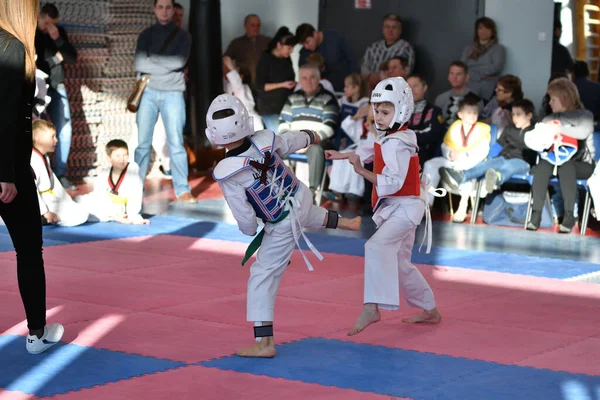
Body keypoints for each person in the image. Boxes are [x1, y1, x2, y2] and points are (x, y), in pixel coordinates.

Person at [206, 94, 362, 357]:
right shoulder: (265, 140)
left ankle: (264, 342)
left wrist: (250, 230)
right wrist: (312, 135)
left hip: (281, 221)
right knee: (306, 214)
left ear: (213, 133)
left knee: (262, 275)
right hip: (300, 196)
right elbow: (293, 140)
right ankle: (347, 222)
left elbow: (242, 214)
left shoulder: (228, 172)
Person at [325, 78, 444, 336]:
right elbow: (371, 148)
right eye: (376, 111)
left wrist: (360, 170)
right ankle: (429, 309)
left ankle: (372, 306)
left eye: (385, 112)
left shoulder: (398, 143)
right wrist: (344, 155)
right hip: (404, 207)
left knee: (376, 246)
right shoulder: (395, 136)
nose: (378, 117)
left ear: (400, 110)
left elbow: (392, 181)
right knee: (401, 263)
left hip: (406, 208)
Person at [0, 0, 64, 354]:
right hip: (7, 169)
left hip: (7, 165)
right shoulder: (10, 47)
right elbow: (7, 117)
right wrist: (6, 175)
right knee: (28, 250)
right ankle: (36, 334)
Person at [35, 3, 77, 190]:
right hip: (38, 86)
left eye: (52, 23)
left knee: (64, 129)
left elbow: (72, 57)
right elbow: (38, 64)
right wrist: (56, 59)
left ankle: (60, 173)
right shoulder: (32, 33)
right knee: (37, 131)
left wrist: (58, 39)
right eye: (46, 23)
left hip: (57, 86)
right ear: (39, 18)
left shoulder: (58, 32)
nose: (48, 27)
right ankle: (39, 172)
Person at [76, 140, 149, 225]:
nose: (122, 159)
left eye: (125, 155)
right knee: (80, 200)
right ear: (109, 158)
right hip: (107, 206)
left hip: (122, 208)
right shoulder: (104, 174)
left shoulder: (132, 169)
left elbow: (136, 195)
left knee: (92, 211)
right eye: (117, 156)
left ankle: (116, 216)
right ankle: (113, 216)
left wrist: (133, 216)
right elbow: (98, 195)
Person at [31, 120, 88, 227]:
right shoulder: (32, 159)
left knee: (83, 202)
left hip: (50, 199)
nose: (56, 140)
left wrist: (68, 200)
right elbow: (30, 188)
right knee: (82, 214)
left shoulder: (43, 157)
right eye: (52, 137)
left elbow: (55, 184)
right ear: (38, 139)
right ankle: (44, 219)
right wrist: (45, 212)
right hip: (41, 203)